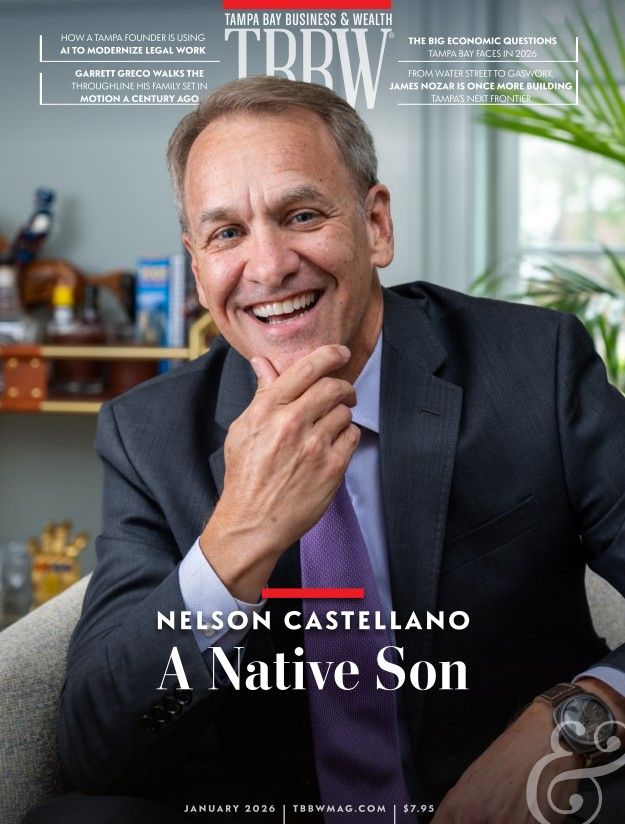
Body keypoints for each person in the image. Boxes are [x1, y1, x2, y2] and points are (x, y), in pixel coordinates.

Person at [24, 76, 625, 824]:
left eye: (300, 214)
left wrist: (576, 716)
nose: (268, 267)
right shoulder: (146, 437)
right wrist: (237, 536)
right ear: (197, 264)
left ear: (375, 225)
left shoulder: (534, 366)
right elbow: (96, 748)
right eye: (226, 234)